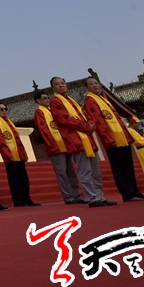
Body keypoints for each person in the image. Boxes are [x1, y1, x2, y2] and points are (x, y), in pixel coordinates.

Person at [82, 78, 144, 202]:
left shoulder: (104, 99)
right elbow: (98, 121)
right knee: (119, 168)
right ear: (87, 88)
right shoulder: (90, 100)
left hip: (122, 137)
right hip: (112, 139)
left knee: (128, 167)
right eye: (91, 84)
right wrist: (108, 139)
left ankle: (136, 192)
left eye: (96, 83)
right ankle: (128, 194)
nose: (95, 86)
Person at [48, 77, 114, 207]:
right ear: (53, 88)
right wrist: (85, 127)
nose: (61, 85)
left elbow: (84, 114)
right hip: (75, 140)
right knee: (85, 171)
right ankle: (92, 198)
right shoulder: (55, 101)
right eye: (57, 84)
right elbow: (64, 119)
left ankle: (100, 197)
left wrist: (91, 124)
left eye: (62, 83)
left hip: (88, 139)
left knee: (95, 172)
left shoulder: (71, 100)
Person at [33, 90, 83, 204]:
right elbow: (44, 130)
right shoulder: (39, 112)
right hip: (55, 147)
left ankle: (77, 196)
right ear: (38, 101)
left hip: (65, 144)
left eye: (48, 97)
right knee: (62, 173)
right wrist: (52, 145)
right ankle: (68, 197)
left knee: (71, 172)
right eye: (44, 98)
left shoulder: (53, 110)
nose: (47, 100)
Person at [0, 102, 40, 207]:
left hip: (19, 154)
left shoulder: (9, 122)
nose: (4, 111)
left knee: (24, 179)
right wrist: (8, 154)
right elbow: (0, 140)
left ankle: (27, 199)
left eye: (5, 109)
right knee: (15, 180)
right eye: (1, 109)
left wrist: (24, 154)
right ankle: (18, 201)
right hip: (10, 156)